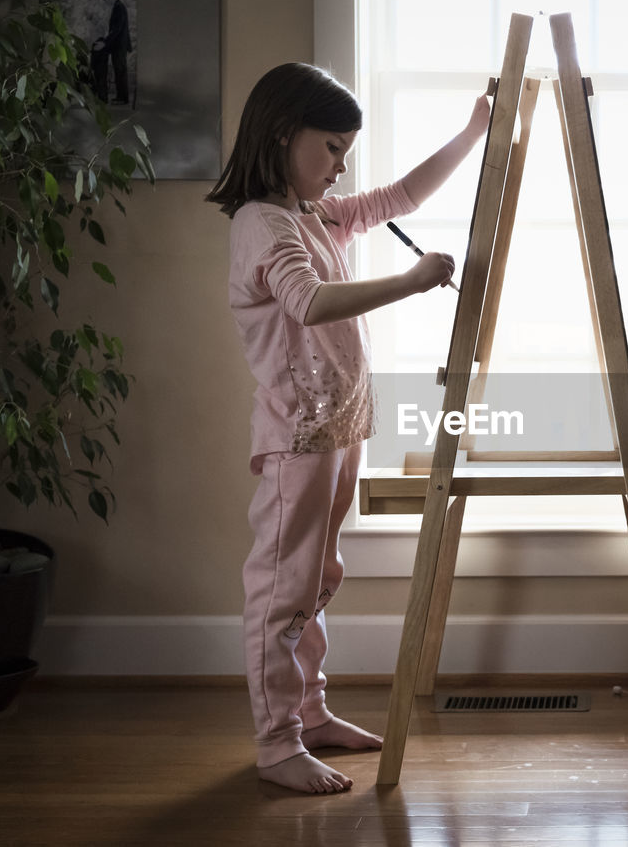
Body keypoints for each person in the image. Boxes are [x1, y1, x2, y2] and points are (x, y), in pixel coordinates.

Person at [205, 62, 490, 794]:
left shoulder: (314, 214)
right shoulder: (261, 224)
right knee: (283, 586)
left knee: (319, 577)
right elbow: (307, 302)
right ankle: (277, 743)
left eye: (345, 151)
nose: (341, 166)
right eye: (331, 147)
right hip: (298, 436)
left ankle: (311, 709)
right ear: (281, 135)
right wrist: (410, 281)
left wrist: (472, 134)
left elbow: (403, 195)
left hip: (337, 430)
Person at [90, 0, 131, 105]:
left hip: (119, 46)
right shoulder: (118, 7)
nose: (105, 3)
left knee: (120, 71)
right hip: (118, 45)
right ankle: (121, 97)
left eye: (105, 0)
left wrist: (105, 43)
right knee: (119, 71)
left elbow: (116, 29)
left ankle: (123, 98)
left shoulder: (119, 8)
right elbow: (115, 30)